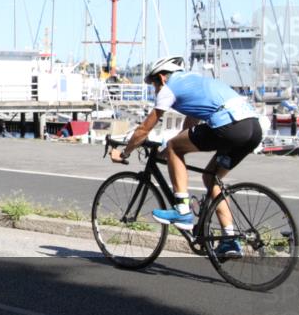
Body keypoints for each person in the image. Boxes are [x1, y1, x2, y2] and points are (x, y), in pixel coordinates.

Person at [110, 56, 261, 258]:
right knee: (210, 178)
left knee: (174, 147)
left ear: (162, 78)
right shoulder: (195, 81)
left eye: (154, 85)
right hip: (252, 128)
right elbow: (191, 122)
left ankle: (182, 210)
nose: (155, 91)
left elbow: (144, 128)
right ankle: (230, 239)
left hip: (229, 125)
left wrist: (124, 152)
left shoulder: (168, 88)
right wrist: (174, 151)